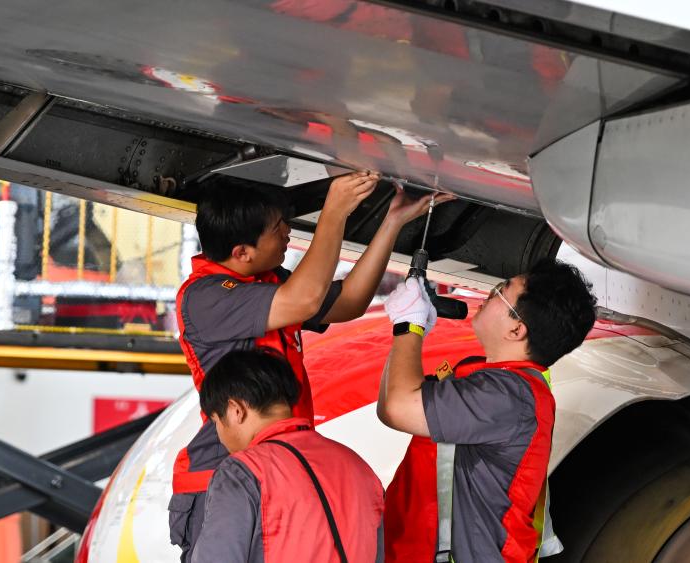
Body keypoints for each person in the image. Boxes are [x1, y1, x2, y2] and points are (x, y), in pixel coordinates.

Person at [170, 170, 437, 560]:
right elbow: (304, 300)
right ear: (242, 252)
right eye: (278, 228)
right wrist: (334, 211)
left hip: (282, 464)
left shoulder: (266, 279)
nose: (288, 234)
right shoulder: (206, 297)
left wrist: (392, 222)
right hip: (224, 470)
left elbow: (348, 302)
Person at [378, 260, 598, 563]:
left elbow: (397, 408)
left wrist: (409, 326)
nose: (488, 295)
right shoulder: (503, 386)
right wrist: (412, 330)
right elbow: (391, 405)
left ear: (516, 329)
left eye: (500, 292)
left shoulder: (505, 397)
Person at [192, 349, 384, 563]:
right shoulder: (359, 467)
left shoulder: (241, 472)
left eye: (216, 422)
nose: (220, 437)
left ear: (235, 410)